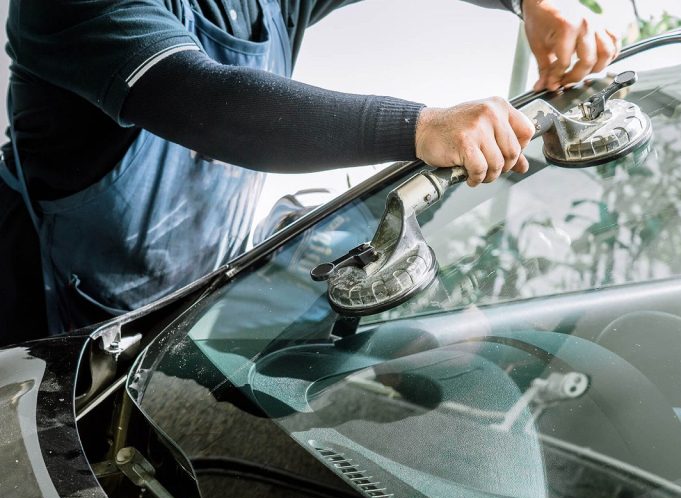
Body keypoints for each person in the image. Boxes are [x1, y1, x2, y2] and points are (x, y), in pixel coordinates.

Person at [0, 0, 618, 343]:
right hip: (44, 308)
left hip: (189, 283)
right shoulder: (66, 7)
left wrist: (532, 2)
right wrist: (420, 127)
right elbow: (212, 105)